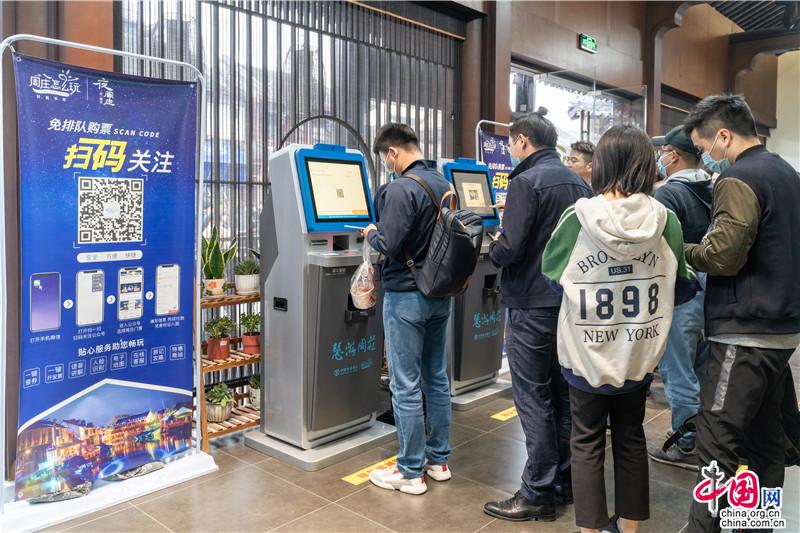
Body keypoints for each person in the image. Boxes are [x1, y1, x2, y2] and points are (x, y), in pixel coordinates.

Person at [542, 125, 697, 533]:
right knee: (630, 435)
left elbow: (551, 275)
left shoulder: (577, 217)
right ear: (647, 164)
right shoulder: (666, 220)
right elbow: (682, 285)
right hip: (639, 352)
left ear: (602, 164)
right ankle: (628, 527)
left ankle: (589, 529)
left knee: (586, 439)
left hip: (585, 350)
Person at [683, 94, 800, 532]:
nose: (705, 157)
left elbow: (724, 256)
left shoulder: (738, 178)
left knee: (716, 445)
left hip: (744, 331)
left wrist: (680, 249)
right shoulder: (788, 173)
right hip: (781, 329)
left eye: (704, 147)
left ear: (724, 136)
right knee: (766, 443)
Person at [483, 108, 592, 522]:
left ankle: (536, 491)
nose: (510, 149)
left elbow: (510, 249)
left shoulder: (525, 182)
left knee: (532, 395)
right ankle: (562, 482)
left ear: (523, 140)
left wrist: (495, 242)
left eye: (512, 142)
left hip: (530, 302)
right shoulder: (577, 183)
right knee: (561, 394)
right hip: (568, 302)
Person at [361, 123, 454, 496]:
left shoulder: (402, 188)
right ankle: (439, 461)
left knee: (405, 384)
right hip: (440, 292)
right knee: (436, 378)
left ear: (393, 153)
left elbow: (390, 243)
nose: (388, 165)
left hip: (406, 296)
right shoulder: (444, 184)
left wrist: (370, 232)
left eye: (386, 159)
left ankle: (410, 471)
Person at [648, 126, 713, 470]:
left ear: (672, 155)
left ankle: (686, 444)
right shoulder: (713, 187)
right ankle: (703, 438)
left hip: (680, 294)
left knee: (678, 373)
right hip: (710, 294)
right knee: (700, 370)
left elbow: (657, 250)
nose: (661, 158)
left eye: (663, 152)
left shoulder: (669, 195)